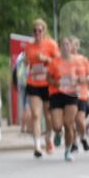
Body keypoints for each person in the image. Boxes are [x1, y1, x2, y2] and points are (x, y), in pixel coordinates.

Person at [24, 19, 59, 157]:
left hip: (48, 84)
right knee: (35, 115)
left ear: (44, 31)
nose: (37, 33)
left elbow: (58, 61)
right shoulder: (29, 46)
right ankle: (37, 146)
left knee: (48, 115)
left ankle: (48, 139)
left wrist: (46, 59)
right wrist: (26, 62)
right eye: (35, 31)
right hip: (33, 82)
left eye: (40, 30)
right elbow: (27, 62)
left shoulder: (51, 44)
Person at [46, 37, 84, 162]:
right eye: (63, 45)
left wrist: (78, 80)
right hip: (56, 94)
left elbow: (83, 78)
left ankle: (67, 151)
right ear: (60, 47)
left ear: (71, 47)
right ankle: (58, 132)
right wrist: (55, 83)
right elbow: (48, 78)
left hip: (71, 94)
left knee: (68, 123)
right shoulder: (54, 62)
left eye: (68, 44)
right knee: (57, 125)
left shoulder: (77, 62)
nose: (66, 47)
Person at [70, 37, 89, 152]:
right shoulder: (65, 60)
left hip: (81, 94)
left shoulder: (83, 59)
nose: (73, 47)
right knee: (71, 120)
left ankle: (83, 137)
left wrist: (84, 78)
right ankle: (74, 142)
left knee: (80, 120)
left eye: (75, 44)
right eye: (71, 44)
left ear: (78, 47)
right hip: (69, 95)